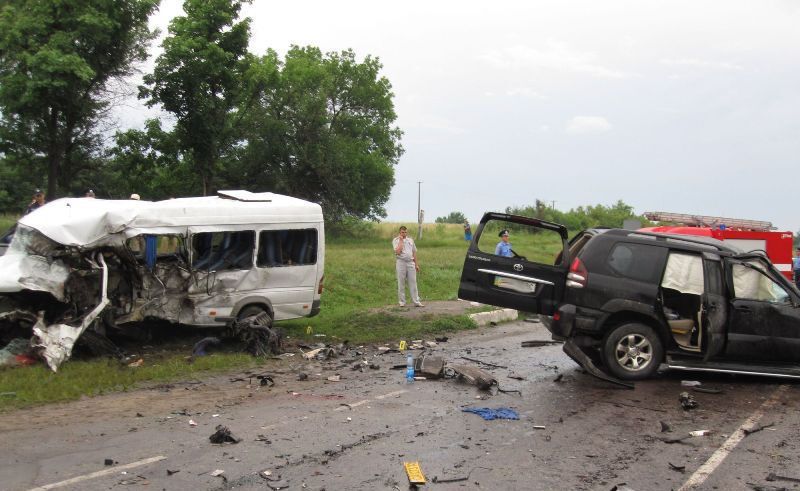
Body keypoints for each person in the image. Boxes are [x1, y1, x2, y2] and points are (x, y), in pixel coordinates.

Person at [392, 225, 423, 307]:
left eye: (405, 232)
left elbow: (414, 252)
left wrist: (416, 264)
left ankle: (416, 301)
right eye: (402, 232)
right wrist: (401, 241)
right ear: (399, 232)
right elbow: (398, 252)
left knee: (413, 282)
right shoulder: (396, 240)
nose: (404, 233)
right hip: (401, 262)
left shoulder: (410, 240)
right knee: (401, 282)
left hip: (410, 262)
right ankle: (402, 302)